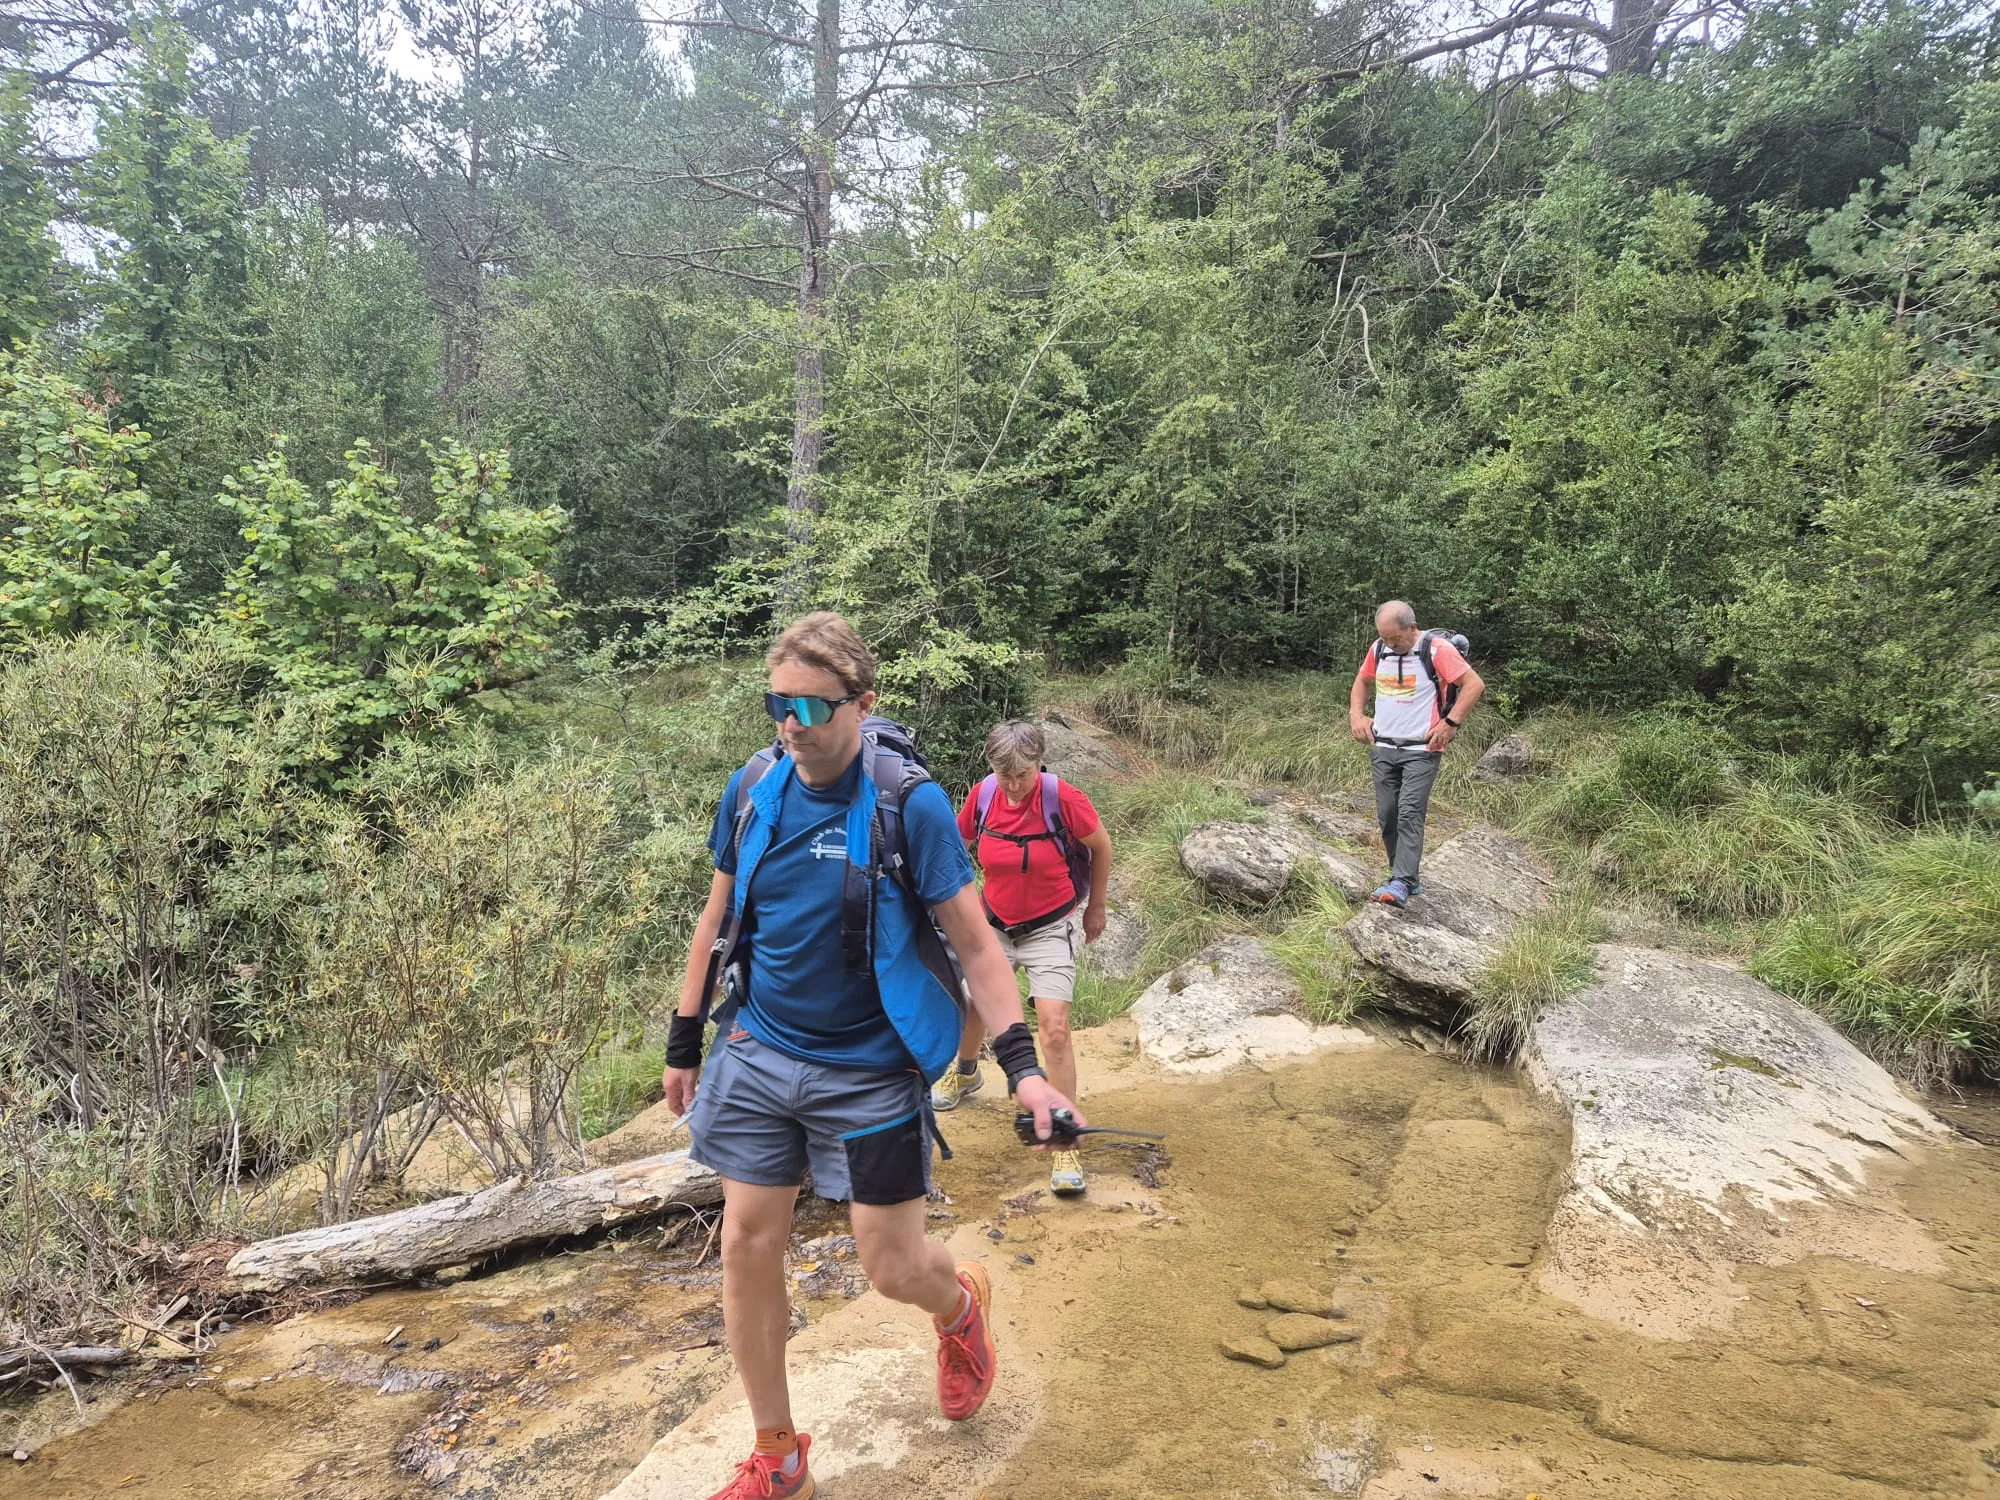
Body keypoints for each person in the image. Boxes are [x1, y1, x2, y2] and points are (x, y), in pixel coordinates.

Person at [662, 612, 1082, 1500]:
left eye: (814, 708)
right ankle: (778, 1458)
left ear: (862, 703)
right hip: (762, 1046)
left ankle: (960, 1303)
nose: (793, 724)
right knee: (746, 1239)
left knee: (892, 1267)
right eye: (780, 704)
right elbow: (715, 920)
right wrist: (685, 1037)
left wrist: (1026, 1067)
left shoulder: (909, 803)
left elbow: (975, 946)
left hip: (870, 1064)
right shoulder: (753, 789)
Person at [934, 720, 1113, 1197]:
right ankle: (967, 1073)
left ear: (1039, 765)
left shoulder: (1063, 799)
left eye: (1023, 776)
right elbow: (956, 846)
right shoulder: (984, 795)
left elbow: (1101, 847)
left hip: (1052, 922)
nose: (1013, 787)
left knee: (1054, 1027)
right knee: (976, 1005)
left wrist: (1095, 908)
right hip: (993, 920)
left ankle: (1064, 1137)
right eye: (1004, 775)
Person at [1348, 600, 1486, 907]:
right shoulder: (1378, 650)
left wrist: (1450, 724)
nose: (1390, 645)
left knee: (1410, 812)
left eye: (1395, 639)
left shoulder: (1436, 649)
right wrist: (1357, 716)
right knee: (1388, 815)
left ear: (1412, 628)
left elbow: (1473, 684)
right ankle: (1403, 876)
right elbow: (1362, 681)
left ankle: (1402, 881)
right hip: (1384, 746)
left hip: (1422, 750)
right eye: (1384, 638)